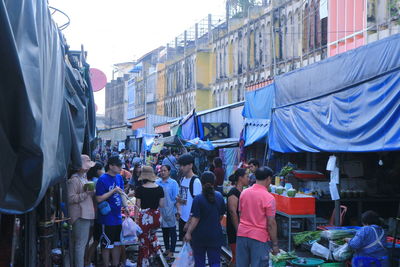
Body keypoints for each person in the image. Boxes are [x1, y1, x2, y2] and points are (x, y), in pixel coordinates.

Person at [236, 167, 279, 267]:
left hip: (242, 234)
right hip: (259, 238)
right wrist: (275, 244)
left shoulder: (244, 193)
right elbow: (271, 224)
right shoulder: (269, 198)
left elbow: (240, 213)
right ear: (268, 179)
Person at [184, 171, 226, 267]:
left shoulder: (198, 199)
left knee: (199, 262)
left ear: (201, 182)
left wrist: (188, 232)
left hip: (199, 236)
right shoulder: (219, 196)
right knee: (215, 262)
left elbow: (195, 219)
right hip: (215, 235)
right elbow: (220, 215)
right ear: (214, 182)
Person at [67, 154, 96, 267]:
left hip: (85, 214)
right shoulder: (74, 180)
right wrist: (86, 194)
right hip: (80, 215)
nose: (88, 168)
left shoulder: (83, 178)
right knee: (80, 245)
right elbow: (70, 198)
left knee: (80, 244)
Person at [95, 156, 125, 267]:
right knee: (106, 244)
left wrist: (125, 206)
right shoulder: (102, 179)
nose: (120, 168)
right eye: (118, 166)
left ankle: (115, 264)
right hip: (107, 217)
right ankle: (106, 264)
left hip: (117, 216)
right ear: (111, 166)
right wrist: (113, 191)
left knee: (117, 243)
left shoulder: (119, 178)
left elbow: (121, 194)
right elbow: (98, 198)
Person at [135, 166, 165, 267]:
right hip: (156, 218)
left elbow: (137, 206)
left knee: (144, 240)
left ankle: (144, 262)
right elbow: (161, 205)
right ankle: (155, 256)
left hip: (144, 218)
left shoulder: (139, 189)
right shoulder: (160, 189)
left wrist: (135, 219)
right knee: (152, 237)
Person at [176, 153, 202, 241]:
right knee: (185, 249)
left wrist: (189, 223)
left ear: (191, 165)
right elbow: (183, 199)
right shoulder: (183, 179)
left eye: (184, 165)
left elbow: (197, 206)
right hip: (183, 218)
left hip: (191, 222)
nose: (181, 168)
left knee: (192, 250)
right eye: (180, 165)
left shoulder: (196, 181)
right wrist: (179, 208)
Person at [226, 168, 249, 267]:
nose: (248, 178)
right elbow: (232, 212)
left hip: (243, 228)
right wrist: (238, 230)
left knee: (241, 257)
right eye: (247, 176)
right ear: (240, 178)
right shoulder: (233, 192)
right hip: (235, 228)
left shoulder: (244, 191)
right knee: (236, 257)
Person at [156, 165, 179, 261]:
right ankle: (167, 249)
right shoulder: (157, 183)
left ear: (169, 172)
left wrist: (178, 211)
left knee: (172, 231)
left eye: (165, 170)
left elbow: (176, 198)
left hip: (171, 210)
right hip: (161, 210)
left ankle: (172, 251)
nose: (163, 172)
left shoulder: (173, 183)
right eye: (161, 170)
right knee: (164, 230)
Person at [85, 161, 105, 267]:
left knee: (90, 239)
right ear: (97, 170)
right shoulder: (97, 181)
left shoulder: (90, 180)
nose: (103, 171)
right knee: (96, 239)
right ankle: (87, 261)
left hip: (92, 212)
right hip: (97, 213)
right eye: (101, 169)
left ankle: (87, 260)